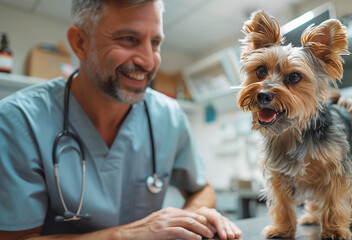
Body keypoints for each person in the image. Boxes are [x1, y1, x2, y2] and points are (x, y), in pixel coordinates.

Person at [0, 0, 242, 239]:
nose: (149, 61)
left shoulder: (169, 116)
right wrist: (129, 235)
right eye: (128, 39)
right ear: (80, 43)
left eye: (155, 42)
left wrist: (187, 222)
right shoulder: (19, 121)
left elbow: (201, 188)